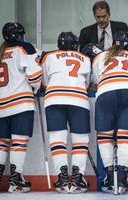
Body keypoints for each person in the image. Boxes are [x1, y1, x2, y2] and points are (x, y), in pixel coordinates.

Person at [0, 22, 42, 193]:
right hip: (21, 104)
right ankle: (16, 179)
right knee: (19, 142)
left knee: (0, 143)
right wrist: (36, 87)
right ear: (18, 35)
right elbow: (35, 76)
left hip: (1, 105)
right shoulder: (25, 48)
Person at [91, 31, 128, 194]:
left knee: (105, 135)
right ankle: (121, 176)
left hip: (106, 90)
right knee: (126, 134)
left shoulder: (100, 57)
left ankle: (109, 175)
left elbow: (96, 79)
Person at [40, 32, 91, 194]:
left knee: (57, 139)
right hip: (78, 99)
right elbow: (88, 82)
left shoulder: (49, 56)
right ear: (76, 44)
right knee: (80, 140)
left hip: (54, 98)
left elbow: (45, 81)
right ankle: (77, 178)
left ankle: (62, 178)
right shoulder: (85, 58)